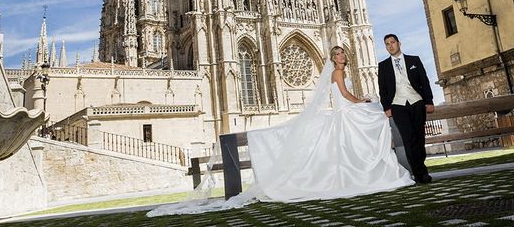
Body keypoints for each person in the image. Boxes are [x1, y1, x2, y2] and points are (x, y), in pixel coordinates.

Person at [147, 45, 412, 217]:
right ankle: (374, 170)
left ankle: (367, 170)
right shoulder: (337, 74)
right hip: (345, 111)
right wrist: (362, 101)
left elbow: (344, 94)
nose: (342, 56)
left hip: (343, 112)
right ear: (333, 59)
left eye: (342, 53)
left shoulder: (340, 71)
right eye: (339, 54)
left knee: (348, 143)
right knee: (366, 126)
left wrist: (361, 101)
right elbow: (344, 94)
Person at [378, 34, 434, 184]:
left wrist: (429, 101)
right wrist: (387, 107)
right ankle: (419, 174)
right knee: (409, 140)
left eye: (392, 42)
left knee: (419, 138)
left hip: (417, 103)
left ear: (399, 43)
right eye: (387, 44)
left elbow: (425, 81)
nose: (390, 46)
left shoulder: (414, 60)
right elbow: (382, 90)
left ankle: (421, 168)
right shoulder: (383, 66)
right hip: (398, 106)